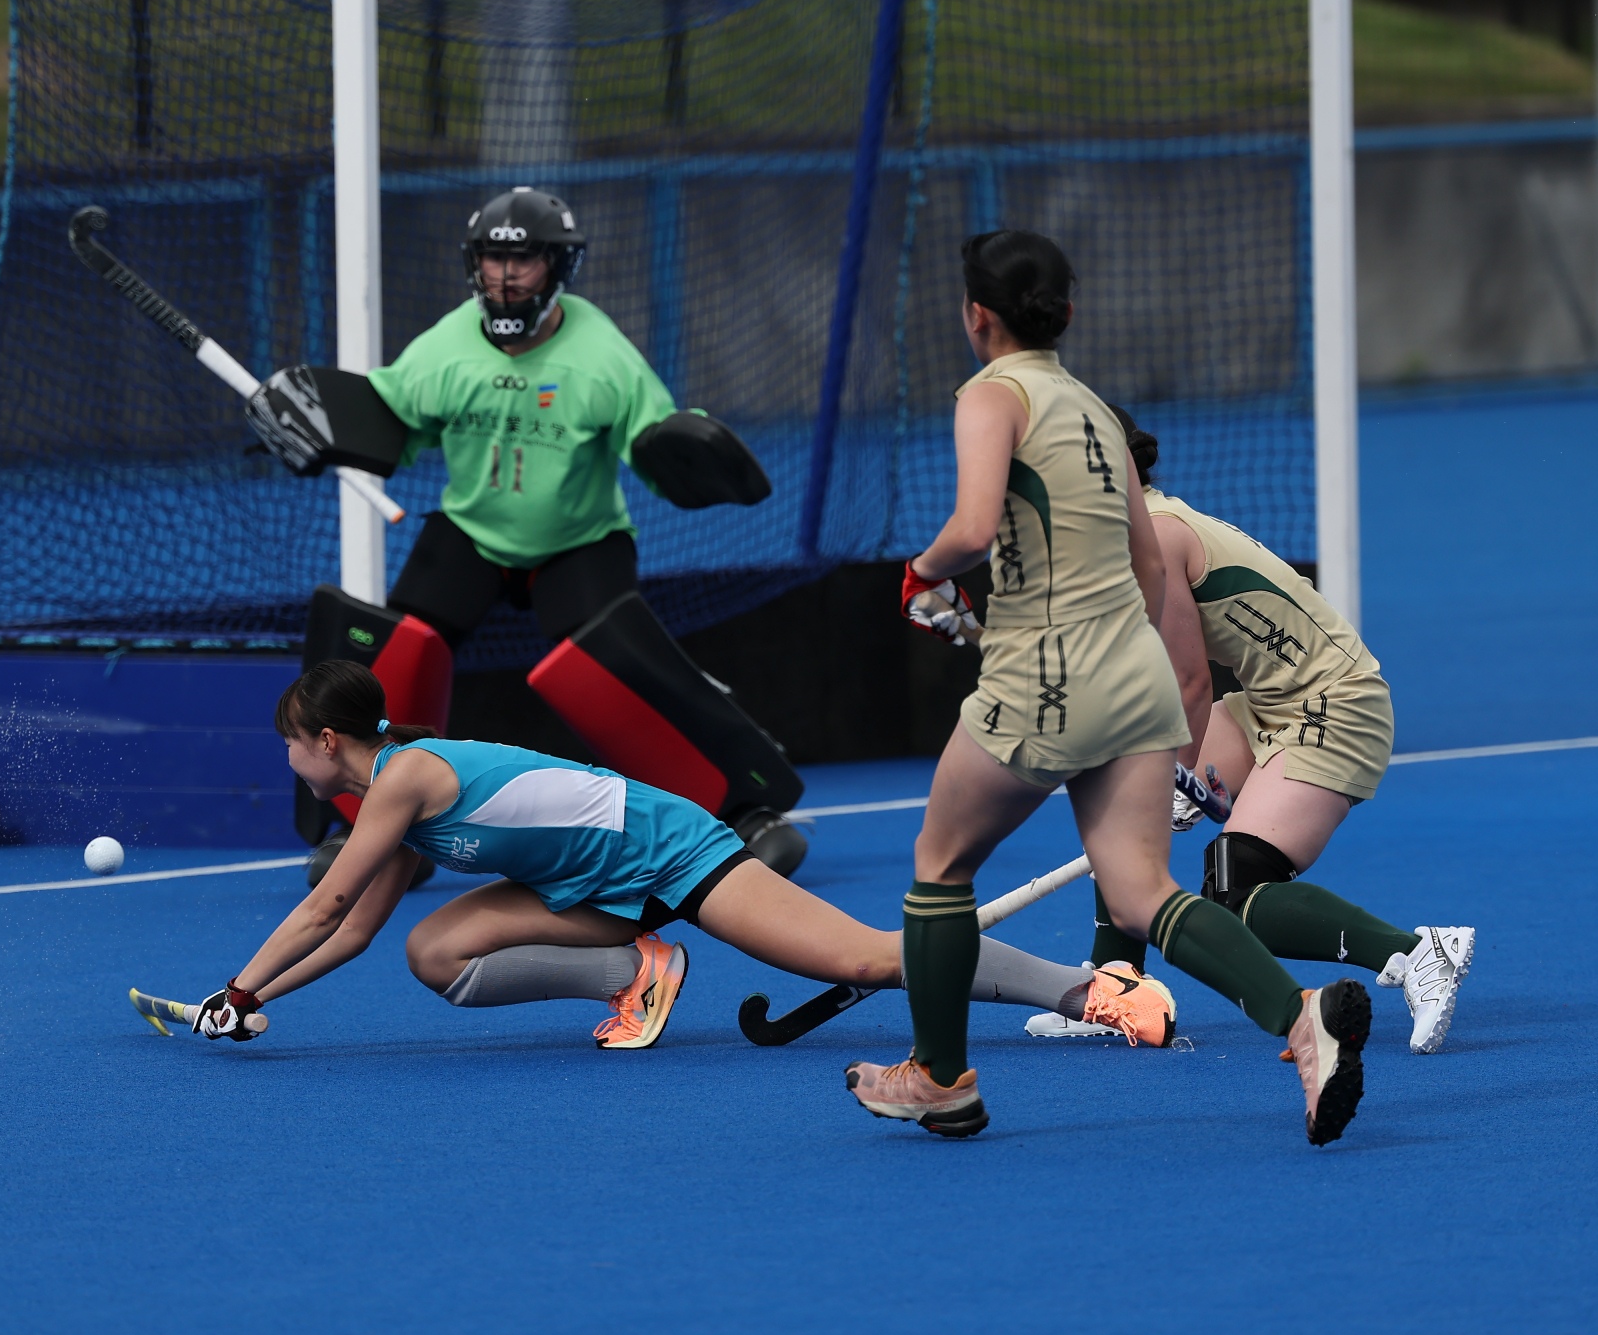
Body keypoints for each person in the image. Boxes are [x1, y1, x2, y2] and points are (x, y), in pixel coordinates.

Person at [855, 230, 1371, 1145]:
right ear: (1067, 311)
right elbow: (1147, 566)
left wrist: (922, 574)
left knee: (940, 863)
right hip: (1135, 678)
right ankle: (1300, 1017)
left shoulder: (992, 393)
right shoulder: (1096, 410)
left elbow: (972, 527)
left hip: (1046, 674)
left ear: (976, 314)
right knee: (1141, 895)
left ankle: (938, 1078)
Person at [254, 187, 808, 879]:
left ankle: (743, 814)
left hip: (579, 539)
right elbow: (391, 423)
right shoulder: (446, 347)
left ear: (557, 267)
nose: (507, 275)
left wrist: (688, 450)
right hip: (473, 531)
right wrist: (316, 427)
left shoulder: (602, 356)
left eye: (525, 260)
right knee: (389, 657)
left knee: (622, 666)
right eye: (493, 258)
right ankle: (370, 828)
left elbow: (655, 448)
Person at [177, 661, 1142, 1049]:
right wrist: (254, 1001)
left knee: (864, 958)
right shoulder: (393, 801)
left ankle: (1090, 992)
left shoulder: (405, 779)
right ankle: (637, 972)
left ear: (327, 740)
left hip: (673, 854)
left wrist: (239, 987)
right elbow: (352, 933)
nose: (286, 759)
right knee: (433, 953)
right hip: (599, 894)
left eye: (289, 743)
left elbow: (321, 908)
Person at [1025, 417, 1475, 1053]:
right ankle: (1113, 988)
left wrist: (1175, 774)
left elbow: (1188, 682)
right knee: (1121, 796)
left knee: (1233, 890)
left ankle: (1417, 952)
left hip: (1335, 705)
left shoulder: (1152, 537)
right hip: (1269, 702)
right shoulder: (1126, 536)